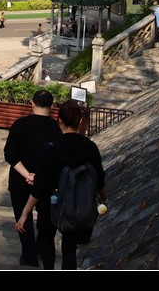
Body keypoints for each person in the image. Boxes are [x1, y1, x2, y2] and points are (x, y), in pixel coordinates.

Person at [15, 100, 107, 270]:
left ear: (60, 120)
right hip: (77, 204)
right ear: (80, 121)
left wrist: (24, 213)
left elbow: (39, 186)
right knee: (69, 248)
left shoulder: (51, 149)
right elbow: (99, 178)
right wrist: (104, 198)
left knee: (46, 239)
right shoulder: (90, 148)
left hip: (51, 204)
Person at [3, 89, 62, 268]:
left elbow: (9, 154)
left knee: (24, 220)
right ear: (52, 106)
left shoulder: (20, 124)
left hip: (20, 182)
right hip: (47, 184)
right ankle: (41, 249)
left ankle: (29, 257)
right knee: (45, 221)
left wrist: (27, 174)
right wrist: (39, 177)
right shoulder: (56, 128)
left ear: (32, 104)